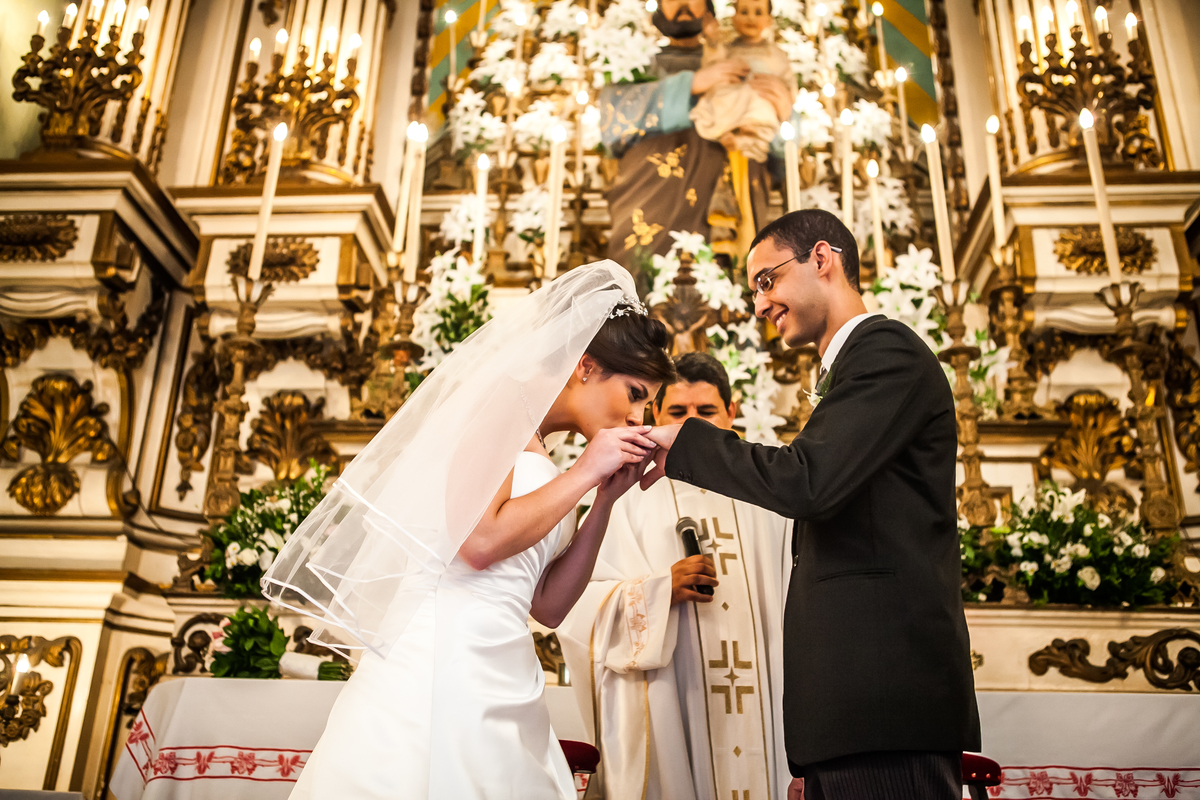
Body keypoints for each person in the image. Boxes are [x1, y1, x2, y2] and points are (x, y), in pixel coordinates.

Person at [262, 263, 675, 799]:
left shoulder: (551, 452)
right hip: (442, 657)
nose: (640, 417)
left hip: (503, 659)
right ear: (586, 367)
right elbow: (477, 544)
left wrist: (603, 501)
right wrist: (582, 473)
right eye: (637, 393)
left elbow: (547, 606)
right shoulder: (500, 404)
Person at [640, 210, 981, 800]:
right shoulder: (854, 366)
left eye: (766, 280)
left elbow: (809, 482)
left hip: (885, 709)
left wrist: (684, 443)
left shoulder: (886, 352)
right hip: (858, 717)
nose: (758, 304)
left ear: (822, 259)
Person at [560, 352, 792, 800]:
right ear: (656, 417)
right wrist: (659, 592)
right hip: (673, 702)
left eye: (705, 413)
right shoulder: (628, 497)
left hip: (768, 703)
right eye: (677, 413)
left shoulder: (769, 496)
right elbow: (577, 608)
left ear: (732, 412)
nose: (691, 426)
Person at [600, 0, 793, 265]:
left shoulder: (742, 59)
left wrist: (784, 111)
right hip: (652, 198)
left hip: (732, 189)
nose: (683, 5)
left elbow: (786, 146)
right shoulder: (640, 64)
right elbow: (613, 121)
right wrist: (693, 83)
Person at [692, 0, 796, 164]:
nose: (751, 18)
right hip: (734, 98)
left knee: (763, 107)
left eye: (758, 12)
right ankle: (726, 131)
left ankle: (746, 139)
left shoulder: (778, 55)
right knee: (719, 96)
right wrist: (712, 41)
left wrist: (785, 98)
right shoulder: (728, 50)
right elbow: (712, 66)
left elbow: (788, 86)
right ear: (734, 18)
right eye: (744, 12)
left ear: (769, 20)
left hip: (761, 99)